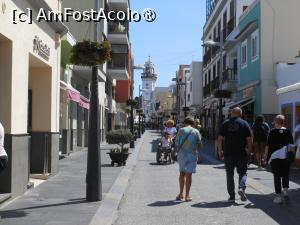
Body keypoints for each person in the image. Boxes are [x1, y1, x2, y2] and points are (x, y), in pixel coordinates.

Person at [217, 107, 253, 202]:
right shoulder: (244, 123)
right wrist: (249, 152)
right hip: (241, 153)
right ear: (240, 114)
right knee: (242, 172)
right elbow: (249, 140)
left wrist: (220, 151)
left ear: (231, 113)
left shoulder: (225, 123)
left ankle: (232, 196)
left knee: (229, 174)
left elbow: (219, 139)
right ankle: (241, 187)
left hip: (228, 153)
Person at [264, 115, 294, 204]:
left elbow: (267, 146)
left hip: (275, 158)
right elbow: (291, 146)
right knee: (285, 174)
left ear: (276, 122)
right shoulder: (288, 131)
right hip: (286, 157)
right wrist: (292, 157)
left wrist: (265, 156)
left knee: (277, 176)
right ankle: (285, 191)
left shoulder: (272, 132)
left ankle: (278, 196)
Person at [175, 117, 202, 202]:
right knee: (189, 175)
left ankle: (180, 194)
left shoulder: (181, 130)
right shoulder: (196, 131)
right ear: (193, 123)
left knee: (182, 173)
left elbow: (176, 143)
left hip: (182, 155)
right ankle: (187, 195)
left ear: (184, 122)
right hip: (192, 155)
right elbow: (200, 144)